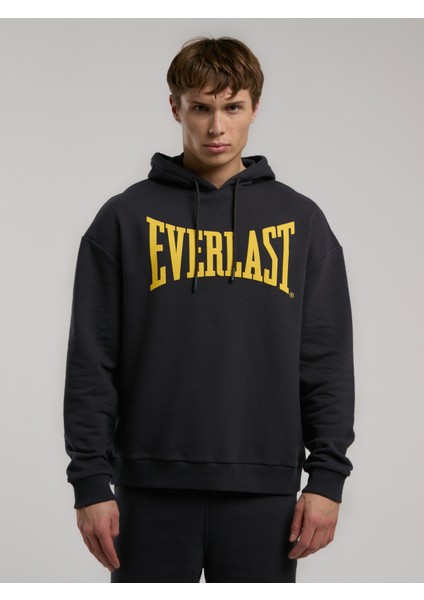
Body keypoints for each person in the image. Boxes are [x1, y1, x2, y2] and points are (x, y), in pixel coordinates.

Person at [63, 36, 355, 583]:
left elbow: (326, 362)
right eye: (200, 108)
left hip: (264, 492)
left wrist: (327, 479)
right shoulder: (124, 219)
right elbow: (92, 360)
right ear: (175, 108)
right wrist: (89, 481)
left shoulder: (302, 222)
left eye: (232, 107)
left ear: (255, 108)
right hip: (146, 489)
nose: (216, 127)